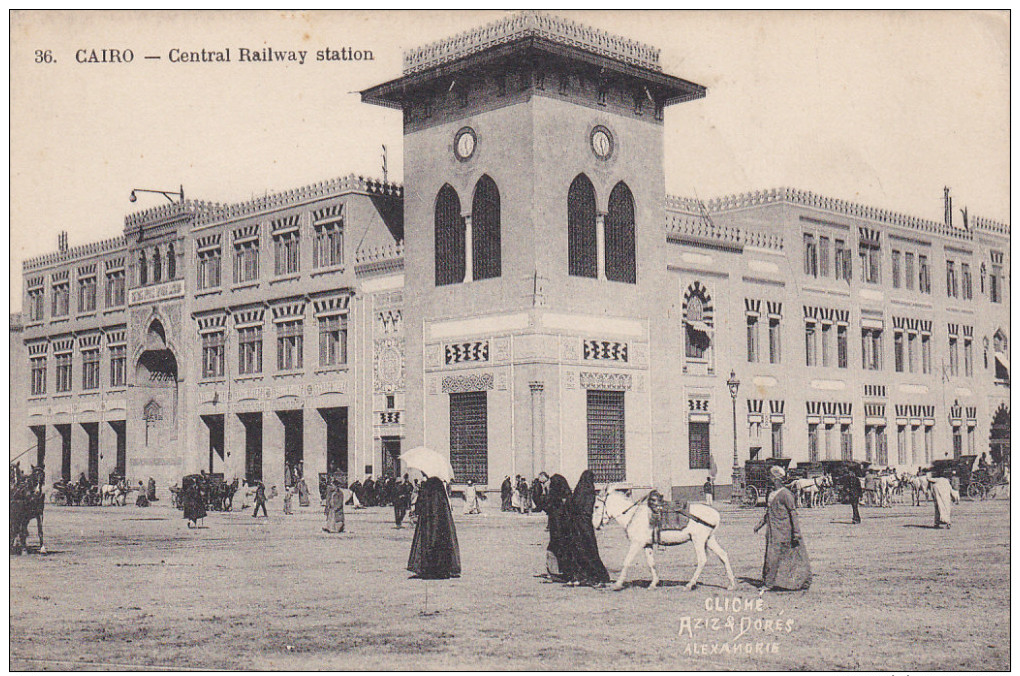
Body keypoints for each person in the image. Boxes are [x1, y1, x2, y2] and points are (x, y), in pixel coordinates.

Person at [754, 466, 811, 591]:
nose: (769, 479)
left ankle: (772, 583)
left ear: (776, 479)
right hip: (772, 531)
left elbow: (793, 513)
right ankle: (771, 581)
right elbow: (768, 512)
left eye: (771, 477)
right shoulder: (771, 494)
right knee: (772, 555)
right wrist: (760, 524)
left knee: (783, 556)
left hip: (784, 531)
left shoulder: (786, 494)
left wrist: (796, 532)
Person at [407, 476, 461, 579]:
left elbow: (421, 503)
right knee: (440, 542)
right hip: (441, 522)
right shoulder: (439, 488)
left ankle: (429, 569)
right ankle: (442, 569)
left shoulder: (427, 486)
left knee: (428, 543)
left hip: (428, 521)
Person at [565, 470, 610, 586]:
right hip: (584, 525)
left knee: (583, 550)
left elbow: (574, 505)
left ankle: (591, 576)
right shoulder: (589, 491)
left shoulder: (580, 490)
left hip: (579, 525)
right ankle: (591, 575)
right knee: (587, 550)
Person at [543, 474, 575, 581]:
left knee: (554, 547)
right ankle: (563, 571)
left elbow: (546, 506)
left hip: (556, 529)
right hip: (564, 529)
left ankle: (555, 572)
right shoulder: (567, 498)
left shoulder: (554, 498)